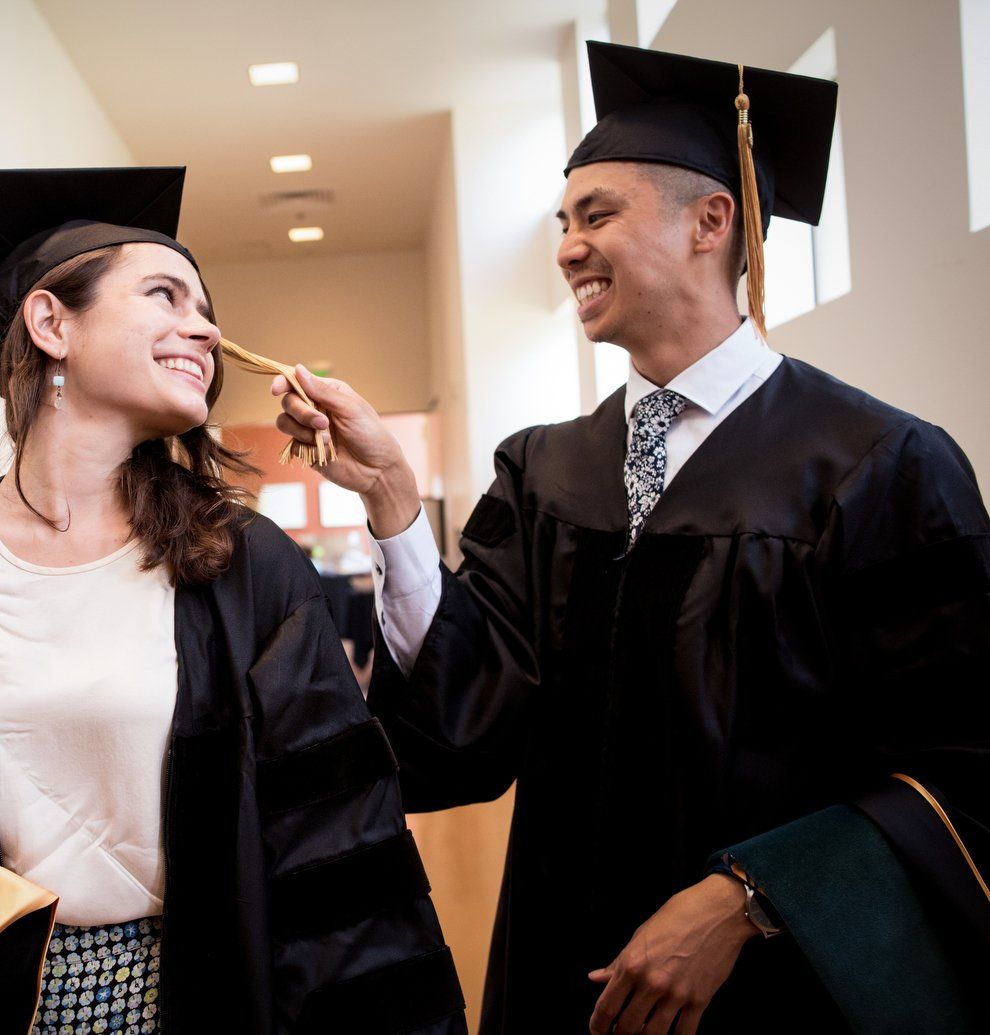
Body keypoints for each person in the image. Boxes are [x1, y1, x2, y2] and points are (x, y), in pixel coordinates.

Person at [271, 43, 990, 1035]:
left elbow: (959, 760)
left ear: (710, 221)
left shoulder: (878, 462)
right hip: (561, 970)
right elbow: (471, 723)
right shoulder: (546, 469)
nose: (567, 248)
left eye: (596, 215)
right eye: (563, 223)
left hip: (775, 983)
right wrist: (391, 499)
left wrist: (749, 894)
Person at [0, 167, 466, 1035]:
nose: (205, 327)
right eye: (165, 294)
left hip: (203, 1003)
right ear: (51, 322)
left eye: (205, 307)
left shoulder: (244, 567)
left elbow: (337, 837)